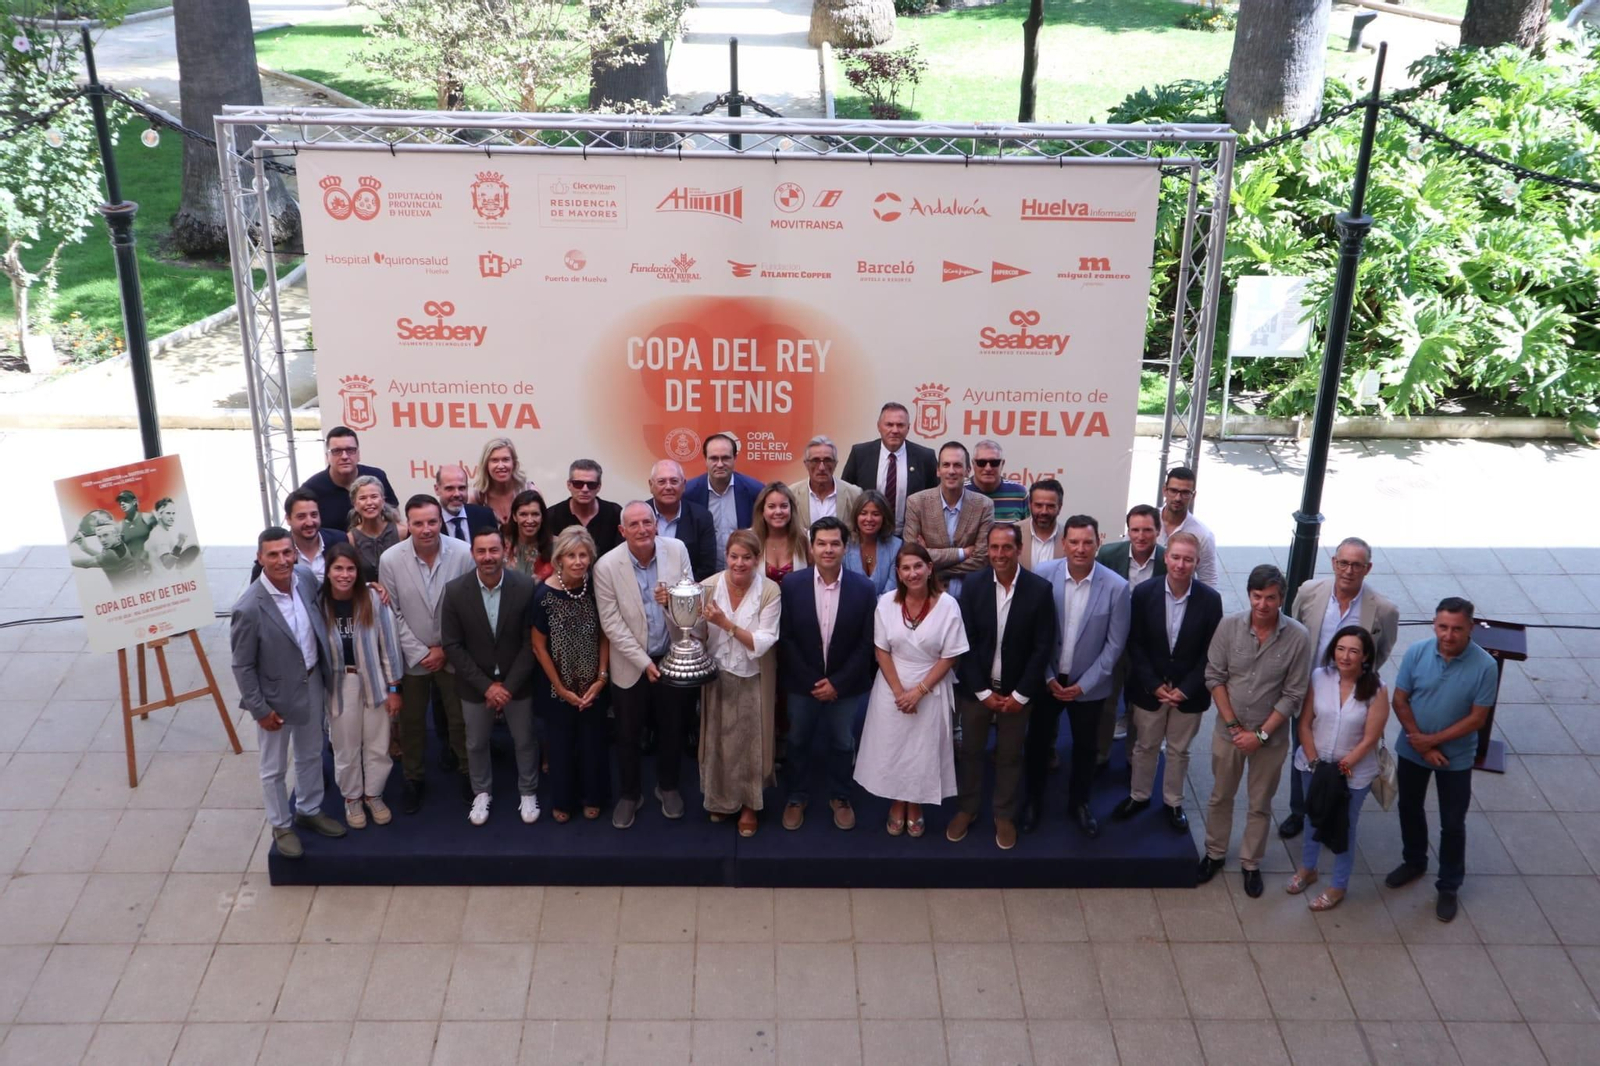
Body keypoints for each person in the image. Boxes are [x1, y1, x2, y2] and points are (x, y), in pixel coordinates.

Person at [1196, 564, 1313, 898]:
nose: (1263, 604)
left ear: (1282, 598)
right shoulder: (1228, 626)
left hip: (1270, 738)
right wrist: (1234, 726)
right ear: (1249, 595)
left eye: (1271, 598)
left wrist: (1259, 735)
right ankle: (1215, 853)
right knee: (1220, 796)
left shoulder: (1297, 638)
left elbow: (1294, 694)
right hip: (1228, 733)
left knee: (1260, 803)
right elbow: (1214, 677)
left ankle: (1251, 863)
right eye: (1257, 596)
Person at [230, 526, 345, 859]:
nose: (282, 560)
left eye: (287, 552)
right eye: (273, 554)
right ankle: (281, 824)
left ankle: (309, 810)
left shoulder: (305, 578)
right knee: (273, 767)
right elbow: (242, 666)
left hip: (312, 683)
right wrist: (259, 709)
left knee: (311, 753)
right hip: (274, 700)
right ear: (259, 558)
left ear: (295, 552)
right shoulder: (249, 608)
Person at [1386, 597, 1498, 923]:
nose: (1448, 635)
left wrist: (1432, 741)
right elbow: (1400, 699)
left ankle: (1449, 886)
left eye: (1457, 629)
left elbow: (1477, 719)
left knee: (1452, 823)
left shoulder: (1485, 667)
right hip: (1412, 749)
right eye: (1443, 627)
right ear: (1434, 625)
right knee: (1409, 806)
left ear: (1471, 628)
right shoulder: (1417, 652)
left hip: (1457, 758)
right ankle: (1414, 861)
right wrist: (1420, 745)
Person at [1281, 535, 1401, 840]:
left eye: (1356, 565)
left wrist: (1358, 677)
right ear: (1334, 563)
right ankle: (1301, 811)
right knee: (1303, 746)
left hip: (1352, 691)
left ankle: (1335, 809)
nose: (1348, 570)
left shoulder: (1384, 609)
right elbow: (1294, 630)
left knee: (1345, 749)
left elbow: (1381, 650)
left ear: (1368, 568)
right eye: (1343, 563)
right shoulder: (1309, 592)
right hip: (1310, 688)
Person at [950, 524, 1055, 850]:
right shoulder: (974, 585)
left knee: (1009, 757)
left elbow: (1043, 647)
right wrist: (981, 691)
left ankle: (1003, 814)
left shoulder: (1039, 589)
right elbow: (963, 641)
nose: (999, 554)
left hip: (1017, 694)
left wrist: (1020, 695)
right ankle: (967, 809)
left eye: (1006, 548)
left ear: (1019, 548)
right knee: (970, 752)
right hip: (977, 691)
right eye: (993, 547)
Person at [1024, 515, 1131, 838]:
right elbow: (1033, 634)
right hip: (1048, 680)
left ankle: (1080, 804)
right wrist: (1046, 677)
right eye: (1074, 542)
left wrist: (1083, 685)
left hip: (1090, 685)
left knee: (1086, 749)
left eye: (1087, 542)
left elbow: (1115, 647)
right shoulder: (1043, 576)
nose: (1080, 549)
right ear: (1063, 544)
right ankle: (1032, 801)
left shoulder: (1117, 587)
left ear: (1099, 542)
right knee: (1038, 743)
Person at [1110, 532, 1223, 833]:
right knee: (1145, 745)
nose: (1181, 565)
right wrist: (1152, 683)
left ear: (1197, 562)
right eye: (1176, 557)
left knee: (1178, 749)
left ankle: (1173, 802)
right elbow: (1135, 643)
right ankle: (1139, 796)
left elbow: (1211, 651)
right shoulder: (1144, 592)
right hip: (1151, 689)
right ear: (1165, 557)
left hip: (1190, 692)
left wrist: (1186, 688)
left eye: (1188, 559)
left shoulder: (1211, 601)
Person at [593, 501, 696, 828]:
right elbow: (611, 625)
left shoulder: (677, 550)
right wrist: (643, 663)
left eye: (647, 523)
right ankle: (629, 793)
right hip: (630, 663)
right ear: (623, 531)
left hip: (671, 655)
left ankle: (667, 786)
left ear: (656, 525)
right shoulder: (606, 566)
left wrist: (672, 604)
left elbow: (690, 603)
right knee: (627, 733)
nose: (642, 529)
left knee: (672, 728)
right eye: (634, 525)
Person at [854, 543, 969, 836]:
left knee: (921, 751)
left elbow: (951, 655)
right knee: (895, 747)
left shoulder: (948, 605)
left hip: (930, 685)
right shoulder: (887, 602)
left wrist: (918, 691)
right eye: (905, 568)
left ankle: (916, 803)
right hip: (892, 686)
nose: (913, 572)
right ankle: (897, 800)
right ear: (898, 573)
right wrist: (899, 692)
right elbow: (881, 650)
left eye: (918, 566)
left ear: (930, 568)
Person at [778, 516, 878, 831]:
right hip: (801, 683)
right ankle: (796, 795)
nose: (828, 549)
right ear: (811, 547)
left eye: (835, 543)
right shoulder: (792, 585)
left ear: (845, 547)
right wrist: (812, 681)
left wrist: (837, 683)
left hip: (845, 686)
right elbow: (787, 638)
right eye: (821, 543)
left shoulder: (864, 588)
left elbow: (866, 643)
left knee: (842, 742)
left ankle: (840, 796)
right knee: (797, 740)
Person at [378, 495, 475, 814]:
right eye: (418, 523)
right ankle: (413, 778)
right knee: (412, 722)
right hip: (412, 656)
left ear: (440, 521)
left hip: (453, 652)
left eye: (432, 521)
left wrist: (446, 649)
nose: (426, 529)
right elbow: (391, 613)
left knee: (460, 720)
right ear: (408, 524)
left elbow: (468, 605)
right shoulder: (391, 559)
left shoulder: (462, 553)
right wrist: (421, 652)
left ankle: (467, 773)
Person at [442, 526, 542, 827]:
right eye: (481, 551)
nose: (488, 557)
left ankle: (528, 790)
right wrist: (487, 687)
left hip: (517, 683)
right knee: (475, 743)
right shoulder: (455, 590)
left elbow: (531, 643)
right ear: (473, 554)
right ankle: (482, 791)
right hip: (475, 685)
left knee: (525, 740)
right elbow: (452, 646)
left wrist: (507, 687)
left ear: (505, 552)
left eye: (493, 550)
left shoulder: (525, 587)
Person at [1287, 625, 1391, 911]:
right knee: (1312, 817)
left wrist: (1342, 767)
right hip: (1314, 765)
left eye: (1354, 651)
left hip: (1353, 774)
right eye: (1341, 649)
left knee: (1344, 826)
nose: (1345, 656)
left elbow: (1371, 737)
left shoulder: (1377, 690)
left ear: (1365, 656)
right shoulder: (1320, 677)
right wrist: (1315, 762)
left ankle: (1338, 885)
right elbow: (1305, 722)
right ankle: (1308, 868)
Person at [698, 529, 782, 835]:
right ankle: (721, 800)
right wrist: (672, 606)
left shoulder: (770, 591)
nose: (739, 563)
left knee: (749, 742)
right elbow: (692, 631)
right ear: (726, 556)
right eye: (734, 556)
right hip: (716, 673)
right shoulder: (707, 586)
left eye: (747, 557)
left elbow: (763, 641)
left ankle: (748, 805)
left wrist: (726, 624)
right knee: (719, 739)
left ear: (757, 559)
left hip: (753, 675)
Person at [318, 542, 403, 829]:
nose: (345, 574)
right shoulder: (318, 603)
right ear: (328, 571)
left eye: (351, 568)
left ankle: (373, 794)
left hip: (374, 680)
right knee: (345, 746)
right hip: (340, 684)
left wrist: (394, 688)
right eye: (338, 568)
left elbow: (389, 645)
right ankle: (352, 798)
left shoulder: (372, 598)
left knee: (378, 744)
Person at [529, 526, 611, 823]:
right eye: (571, 555)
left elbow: (605, 634)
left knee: (593, 743)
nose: (578, 561)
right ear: (559, 558)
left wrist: (601, 679)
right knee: (560, 746)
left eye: (583, 555)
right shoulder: (543, 594)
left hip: (593, 685)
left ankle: (594, 796)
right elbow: (538, 647)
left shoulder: (596, 589)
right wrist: (561, 688)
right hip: (556, 688)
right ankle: (562, 799)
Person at [1095, 503, 1169, 768]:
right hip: (1112, 640)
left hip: (1148, 647)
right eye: (1135, 530)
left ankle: (1134, 757)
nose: (1140, 536)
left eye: (1147, 530)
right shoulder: (1107, 554)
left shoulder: (1168, 560)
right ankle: (1100, 754)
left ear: (1158, 531)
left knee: (1140, 705)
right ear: (1127, 531)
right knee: (1106, 701)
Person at [901, 441, 994, 599]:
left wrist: (934, 567)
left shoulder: (984, 505)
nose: (951, 471)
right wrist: (962, 553)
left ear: (967, 470)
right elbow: (911, 555)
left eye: (957, 465)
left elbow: (981, 559)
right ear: (938, 470)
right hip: (928, 595)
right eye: (946, 465)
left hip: (971, 596)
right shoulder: (916, 503)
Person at [839, 401, 937, 536]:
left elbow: (934, 500)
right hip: (868, 537)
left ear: (908, 428)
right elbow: (846, 494)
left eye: (900, 425)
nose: (895, 430)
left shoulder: (925, 457)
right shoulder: (860, 454)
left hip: (909, 539)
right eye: (889, 425)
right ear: (879, 426)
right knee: (869, 559)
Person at [683, 432, 764, 570]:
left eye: (725, 458)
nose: (720, 464)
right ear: (705, 460)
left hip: (745, 573)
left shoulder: (755, 491)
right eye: (714, 458)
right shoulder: (688, 493)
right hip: (704, 575)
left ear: (735, 458)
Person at [300, 426, 398, 533]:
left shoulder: (377, 477)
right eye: (337, 451)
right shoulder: (311, 489)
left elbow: (395, 517)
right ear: (327, 456)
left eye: (350, 450)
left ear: (358, 454)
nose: (344, 456)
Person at [249, 489, 346, 585]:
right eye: (301, 516)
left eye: (314, 515)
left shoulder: (339, 541)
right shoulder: (274, 555)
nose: (309, 522)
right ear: (288, 519)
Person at [648, 459, 718, 581]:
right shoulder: (639, 516)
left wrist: (680, 592)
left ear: (684, 484)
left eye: (674, 481)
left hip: (688, 592)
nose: (668, 487)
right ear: (651, 485)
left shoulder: (701, 517)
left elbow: (707, 568)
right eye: (661, 482)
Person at [547, 458, 624, 560]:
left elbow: (622, 554)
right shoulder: (552, 516)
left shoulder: (615, 514)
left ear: (599, 487)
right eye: (578, 484)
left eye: (591, 484)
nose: (585, 489)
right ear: (569, 485)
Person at [1156, 466, 1218, 587]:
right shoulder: (1147, 521)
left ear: (1193, 496)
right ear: (1164, 490)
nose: (1178, 498)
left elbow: (1208, 579)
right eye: (1173, 491)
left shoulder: (1203, 535)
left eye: (1185, 493)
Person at [790, 436, 862, 530]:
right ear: (806, 464)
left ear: (835, 463)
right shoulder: (792, 494)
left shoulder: (854, 494)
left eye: (827, 460)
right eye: (815, 461)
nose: (821, 468)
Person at [843, 490, 901, 596]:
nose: (869, 519)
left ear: (884, 517)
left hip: (885, 608)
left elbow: (891, 590)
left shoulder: (896, 546)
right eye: (863, 513)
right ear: (856, 516)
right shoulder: (844, 544)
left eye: (876, 514)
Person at [751, 482, 810, 584]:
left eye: (784, 506)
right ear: (762, 510)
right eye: (771, 506)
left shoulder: (806, 538)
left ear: (791, 509)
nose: (778, 511)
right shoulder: (749, 538)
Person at [68, 510, 144, 588]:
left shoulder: (111, 555)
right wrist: (85, 548)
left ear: (116, 535)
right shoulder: (118, 544)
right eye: (99, 536)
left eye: (106, 535)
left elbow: (86, 564)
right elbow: (102, 557)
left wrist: (65, 559)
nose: (102, 540)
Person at [348, 475, 402, 580]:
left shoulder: (402, 532)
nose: (369, 503)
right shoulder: (350, 539)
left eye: (374, 496)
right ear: (355, 504)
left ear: (382, 500)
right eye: (363, 498)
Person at [469, 437, 531, 527]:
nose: (501, 466)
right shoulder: (477, 497)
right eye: (494, 460)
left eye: (505, 459)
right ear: (486, 465)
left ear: (514, 463)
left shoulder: (528, 491)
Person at [967, 439, 1028, 525]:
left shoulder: (1019, 494)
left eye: (994, 462)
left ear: (1002, 464)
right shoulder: (960, 492)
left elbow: (1029, 531)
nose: (988, 468)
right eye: (981, 462)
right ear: (973, 464)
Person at [435, 463, 497, 544]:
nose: (457, 494)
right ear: (437, 489)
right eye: (449, 488)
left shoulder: (485, 516)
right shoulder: (430, 521)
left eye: (462, 488)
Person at [504, 489, 554, 582]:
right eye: (523, 514)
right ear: (514, 516)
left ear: (542, 517)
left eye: (535, 514)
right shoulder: (502, 545)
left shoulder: (558, 546)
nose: (530, 520)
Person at [146, 498, 200, 570]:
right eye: (168, 513)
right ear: (159, 514)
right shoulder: (159, 534)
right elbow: (168, 564)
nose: (172, 517)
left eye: (173, 513)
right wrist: (180, 543)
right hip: (162, 579)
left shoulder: (163, 531)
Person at [1023, 479, 1065, 571]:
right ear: (1030, 505)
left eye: (1050, 506)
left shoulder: (1069, 537)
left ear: (1060, 507)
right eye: (1038, 505)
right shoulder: (1013, 533)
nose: (1044, 511)